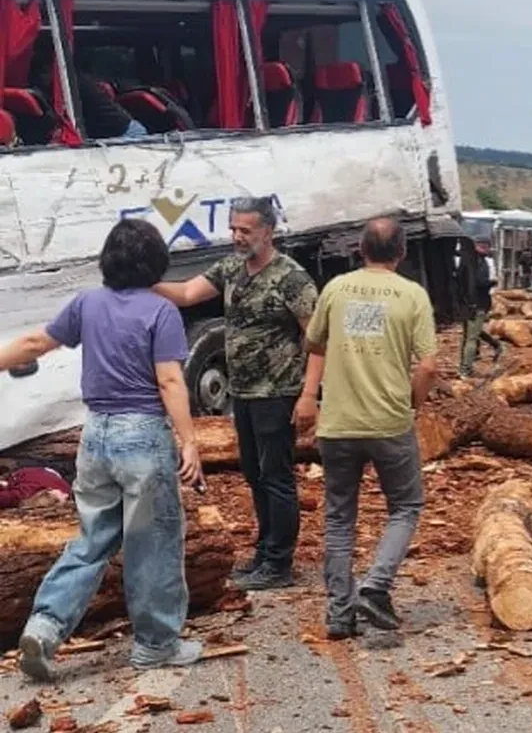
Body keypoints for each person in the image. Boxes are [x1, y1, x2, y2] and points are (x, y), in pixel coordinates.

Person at [0, 219, 204, 679]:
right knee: (152, 542)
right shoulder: (160, 312)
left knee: (92, 540)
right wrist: (189, 441)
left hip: (95, 437)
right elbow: (169, 379)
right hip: (143, 437)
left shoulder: (87, 303)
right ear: (155, 264)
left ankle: (46, 625)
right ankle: (156, 645)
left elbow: (36, 344)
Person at [156, 196, 317, 591]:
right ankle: (263, 550)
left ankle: (280, 562)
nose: (237, 237)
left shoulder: (291, 278)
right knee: (254, 473)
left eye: (245, 230)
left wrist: (309, 395)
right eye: (233, 229)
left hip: (278, 391)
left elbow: (318, 339)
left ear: (268, 231)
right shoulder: (232, 268)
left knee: (277, 475)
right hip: (242, 392)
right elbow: (189, 293)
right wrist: (142, 284)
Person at [292, 218, 434, 638]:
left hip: (338, 422)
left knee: (339, 518)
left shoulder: (336, 288)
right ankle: (376, 585)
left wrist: (310, 395)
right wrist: (414, 403)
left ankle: (339, 615)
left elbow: (313, 342)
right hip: (389, 420)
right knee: (405, 507)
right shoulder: (413, 295)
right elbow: (427, 365)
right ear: (402, 252)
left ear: (360, 248)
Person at [460, 238, 503, 376]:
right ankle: (465, 369)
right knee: (472, 336)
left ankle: (466, 368)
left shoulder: (466, 261)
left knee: (470, 335)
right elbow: (479, 282)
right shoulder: (480, 262)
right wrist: (492, 282)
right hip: (477, 303)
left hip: (468, 303)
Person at [0, 463, 73, 509]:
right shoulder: (66, 490)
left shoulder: (20, 494)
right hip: (47, 469)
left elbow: (6, 497)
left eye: (57, 500)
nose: (66, 495)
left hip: (30, 470)